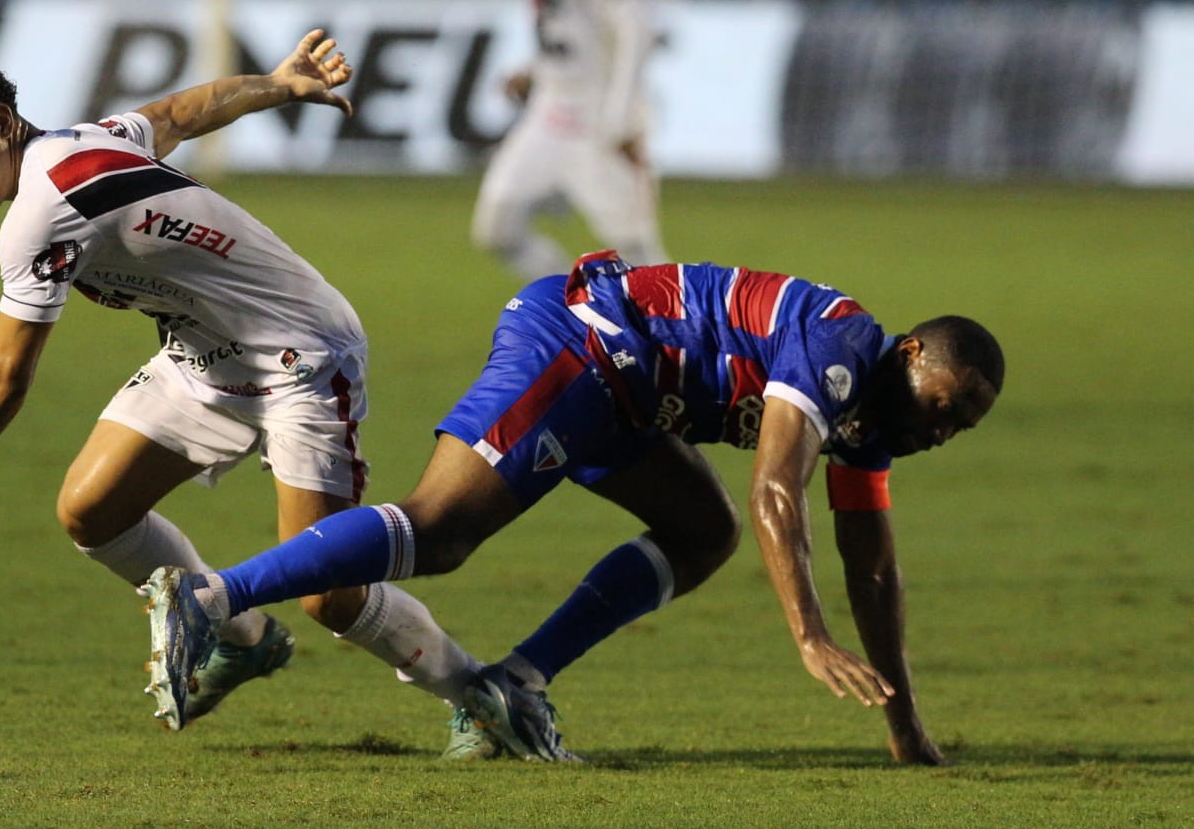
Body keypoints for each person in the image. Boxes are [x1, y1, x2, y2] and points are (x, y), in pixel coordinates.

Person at [0, 31, 484, 727]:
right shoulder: (86, 140)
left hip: (300, 358)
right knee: (92, 510)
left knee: (329, 595)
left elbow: (3, 376)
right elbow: (181, 112)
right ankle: (243, 641)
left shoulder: (40, 213)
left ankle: (481, 695)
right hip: (203, 357)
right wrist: (280, 83)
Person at [146, 250, 1005, 764]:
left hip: (626, 397)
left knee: (701, 532)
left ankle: (508, 689)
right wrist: (810, 637)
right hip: (581, 342)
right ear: (912, 351)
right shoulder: (841, 348)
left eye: (962, 424)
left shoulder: (876, 421)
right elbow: (777, 486)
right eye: (945, 401)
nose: (944, 427)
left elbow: (874, 562)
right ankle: (211, 597)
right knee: (441, 529)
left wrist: (901, 719)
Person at [471, 0, 666, 282]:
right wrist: (536, 69)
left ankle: (679, 340)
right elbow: (567, 25)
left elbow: (636, 29)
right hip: (549, 110)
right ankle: (575, 307)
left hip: (598, 112)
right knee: (496, 229)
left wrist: (621, 114)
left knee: (638, 256)